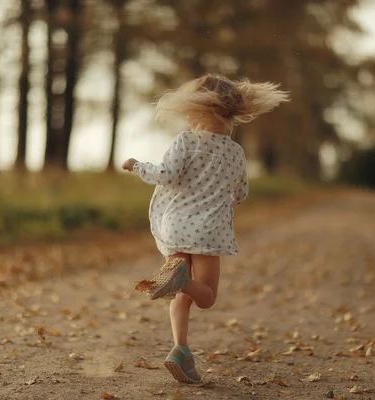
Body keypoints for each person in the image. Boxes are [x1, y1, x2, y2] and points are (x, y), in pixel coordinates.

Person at [122, 74, 289, 383]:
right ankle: (181, 281)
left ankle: (180, 350)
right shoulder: (236, 154)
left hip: (176, 226)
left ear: (204, 112)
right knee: (207, 296)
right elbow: (240, 194)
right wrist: (221, 202)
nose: (186, 115)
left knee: (180, 297)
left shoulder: (185, 142)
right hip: (208, 230)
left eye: (190, 109)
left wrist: (136, 165)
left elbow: (165, 175)